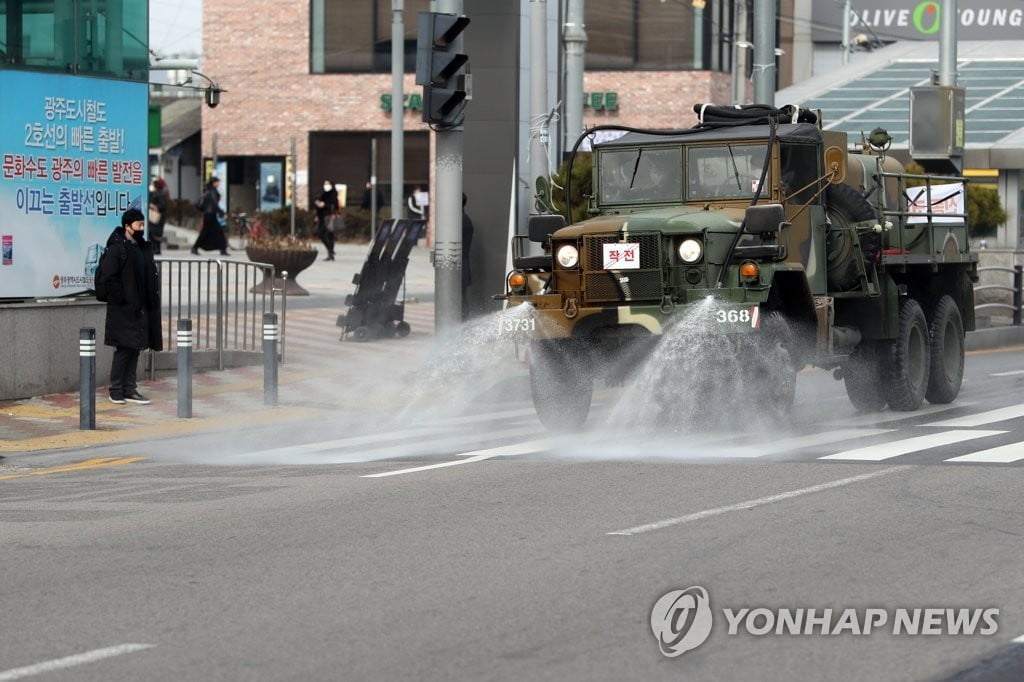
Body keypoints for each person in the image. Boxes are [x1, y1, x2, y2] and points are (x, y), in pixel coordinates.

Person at [96, 208, 163, 405]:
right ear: (127, 226)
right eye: (138, 225)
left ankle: (130, 389)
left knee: (135, 347)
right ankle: (116, 390)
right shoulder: (117, 248)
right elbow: (109, 277)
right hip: (124, 307)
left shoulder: (142, 247)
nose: (142, 228)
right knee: (124, 348)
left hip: (140, 306)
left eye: (143, 224)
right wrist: (122, 298)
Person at [191, 176, 228, 256]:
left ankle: (222, 249)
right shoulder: (212, 191)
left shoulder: (208, 190)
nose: (218, 184)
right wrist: (221, 213)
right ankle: (222, 249)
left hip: (209, 215)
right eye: (217, 182)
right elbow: (214, 204)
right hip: (210, 215)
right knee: (214, 232)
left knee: (212, 232)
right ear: (214, 183)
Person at [314, 179, 338, 261]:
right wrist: (318, 205)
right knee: (320, 234)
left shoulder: (333, 194)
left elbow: (334, 205)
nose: (326, 185)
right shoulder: (323, 193)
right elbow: (318, 203)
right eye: (325, 184)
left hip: (329, 216)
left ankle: (330, 253)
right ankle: (330, 251)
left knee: (328, 234)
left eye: (328, 184)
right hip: (322, 217)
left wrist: (324, 205)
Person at [148, 177, 170, 255]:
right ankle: (156, 248)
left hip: (158, 217)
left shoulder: (160, 194)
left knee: (155, 233)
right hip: (157, 217)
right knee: (154, 233)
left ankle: (157, 249)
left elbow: (162, 205)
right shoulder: (158, 193)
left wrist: (154, 206)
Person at [461, 193, 474, 320]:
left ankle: (463, 328)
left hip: (460, 268)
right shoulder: (465, 219)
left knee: (461, 301)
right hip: (462, 267)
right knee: (462, 300)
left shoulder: (461, 222)